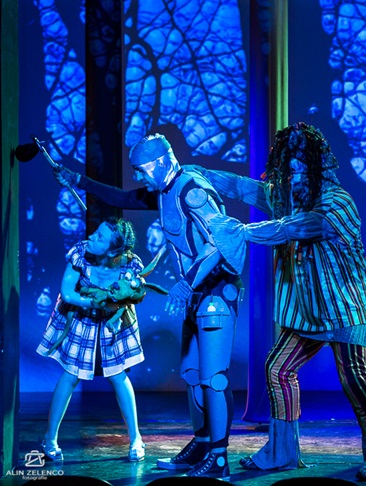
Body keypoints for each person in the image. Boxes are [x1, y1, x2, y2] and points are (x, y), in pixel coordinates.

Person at [199, 122, 366, 481]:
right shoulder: (286, 196)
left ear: (317, 166)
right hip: (307, 312)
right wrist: (200, 174)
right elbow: (244, 188)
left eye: (300, 168)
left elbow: (293, 227)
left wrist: (241, 232)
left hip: (343, 309)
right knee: (278, 369)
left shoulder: (337, 203)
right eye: (288, 169)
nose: (293, 177)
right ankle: (282, 452)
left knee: (355, 378)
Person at [54, 134, 242, 480]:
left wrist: (186, 283)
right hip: (195, 294)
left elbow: (221, 241)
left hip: (215, 292)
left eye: (141, 170)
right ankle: (202, 444)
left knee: (213, 378)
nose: (138, 176)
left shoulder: (192, 190)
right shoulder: (164, 191)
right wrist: (78, 180)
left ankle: (219, 458)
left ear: (160, 163)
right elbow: (123, 198)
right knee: (192, 373)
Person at [37, 218, 147, 462]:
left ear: (112, 251)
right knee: (71, 374)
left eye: (99, 238)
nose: (91, 238)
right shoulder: (80, 254)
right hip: (82, 316)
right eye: (95, 232)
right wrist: (94, 303)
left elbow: (135, 293)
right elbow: (67, 293)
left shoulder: (130, 265)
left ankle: (136, 439)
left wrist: (118, 302)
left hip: (113, 321)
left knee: (118, 375)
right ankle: (50, 438)